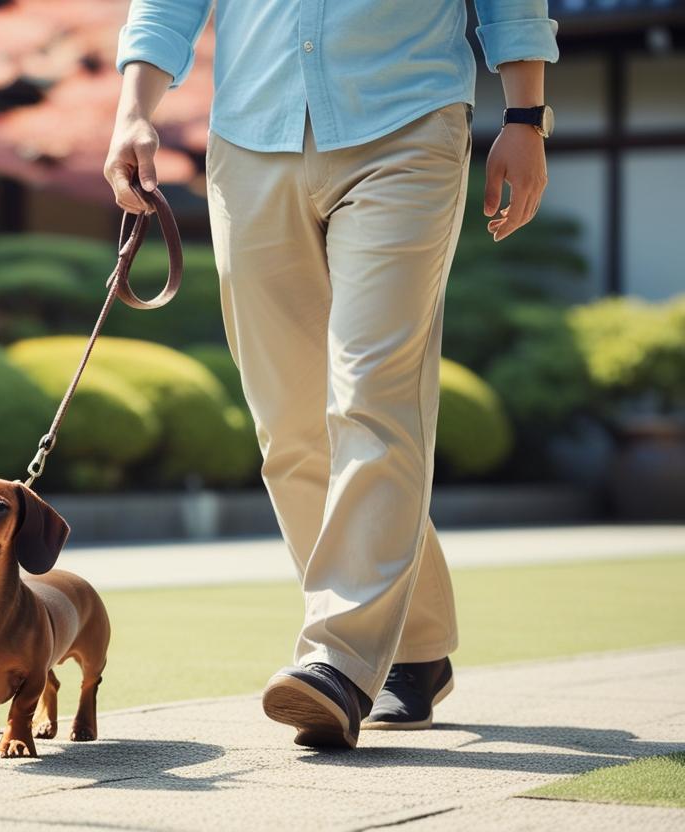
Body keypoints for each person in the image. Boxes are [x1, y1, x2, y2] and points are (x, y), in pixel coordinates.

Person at [106, 0, 557, 748]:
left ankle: (337, 660)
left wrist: (525, 114)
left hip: (407, 123)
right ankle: (414, 644)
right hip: (251, 136)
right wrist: (133, 108)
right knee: (290, 427)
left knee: (371, 398)